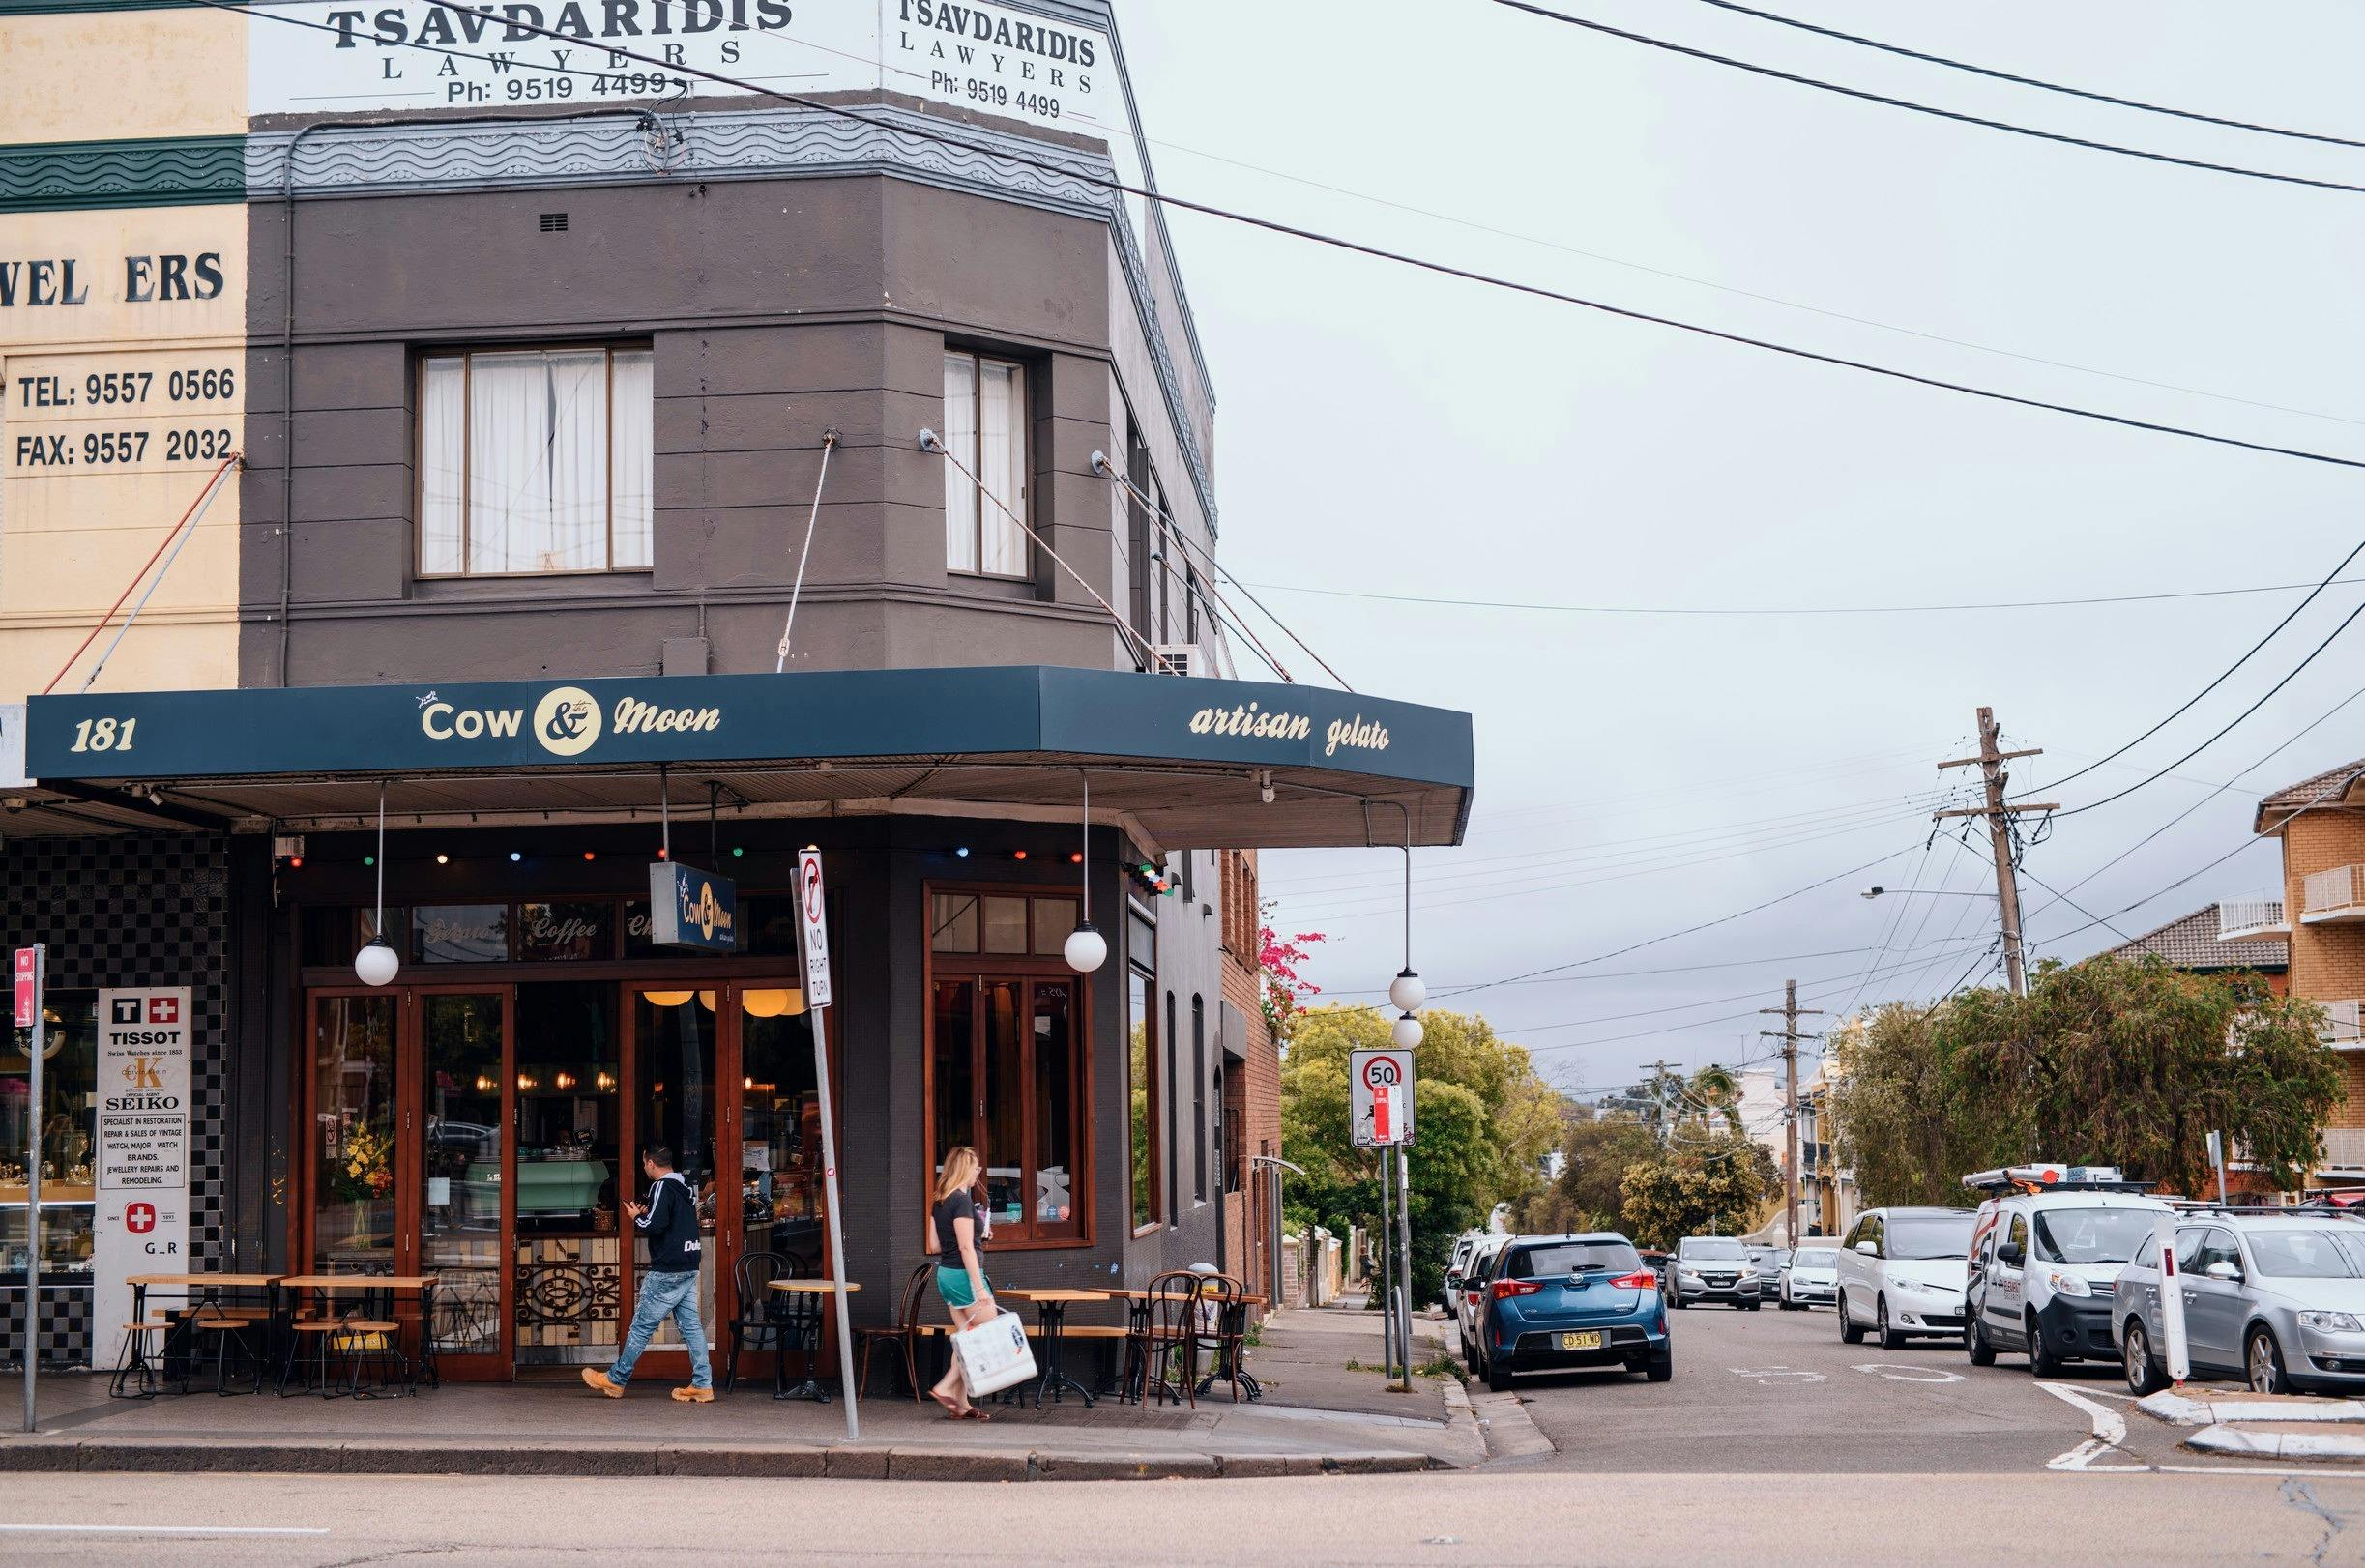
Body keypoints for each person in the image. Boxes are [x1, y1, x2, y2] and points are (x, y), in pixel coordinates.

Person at [583, 1144, 714, 1403]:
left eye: (645, 1164)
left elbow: (654, 1225)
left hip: (667, 1269)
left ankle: (615, 1379)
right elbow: (669, 1220)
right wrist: (648, 1214)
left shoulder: (662, 1186)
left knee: (641, 1327)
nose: (644, 1169)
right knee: (692, 1328)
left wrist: (635, 1216)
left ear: (651, 1163)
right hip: (688, 1264)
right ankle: (702, 1384)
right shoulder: (684, 1186)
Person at [927, 1146, 996, 1421]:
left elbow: (934, 1245)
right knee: (986, 1329)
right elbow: (966, 1248)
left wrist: (982, 1234)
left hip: (946, 1274)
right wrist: (979, 1287)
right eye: (976, 1167)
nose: (978, 1172)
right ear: (966, 1169)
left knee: (967, 1335)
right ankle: (945, 1386)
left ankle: (960, 1401)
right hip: (963, 1276)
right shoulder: (962, 1202)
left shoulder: (940, 1200)